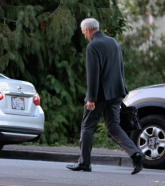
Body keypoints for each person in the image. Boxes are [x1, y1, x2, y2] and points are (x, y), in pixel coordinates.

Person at [66, 18, 144, 175]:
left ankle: (84, 163)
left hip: (100, 95)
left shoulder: (93, 46)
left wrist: (91, 99)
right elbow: (120, 67)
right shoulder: (113, 42)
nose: (84, 36)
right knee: (114, 127)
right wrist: (122, 90)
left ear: (88, 30)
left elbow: (93, 75)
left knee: (87, 126)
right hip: (116, 92)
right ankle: (136, 154)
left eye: (83, 33)